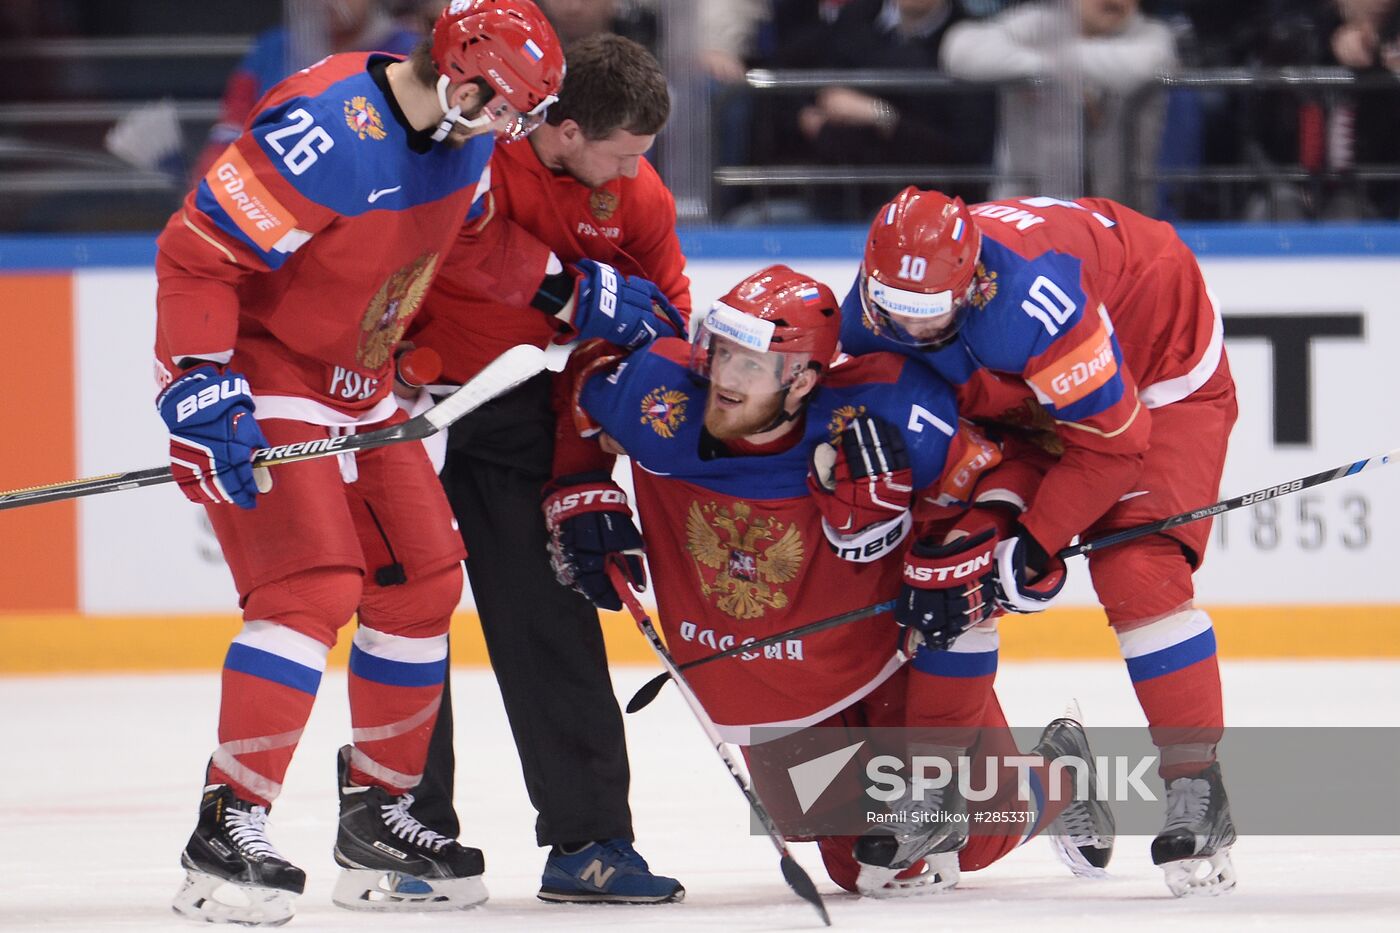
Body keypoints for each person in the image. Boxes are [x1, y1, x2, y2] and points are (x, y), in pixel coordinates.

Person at [152, 2, 677, 925]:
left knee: (422, 580)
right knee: (309, 586)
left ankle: (380, 822)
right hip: (272, 364)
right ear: (465, 82)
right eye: (509, 111)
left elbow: (471, 240)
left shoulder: (466, 134)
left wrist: (568, 287)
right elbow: (197, 254)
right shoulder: (324, 132)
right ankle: (227, 825)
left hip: (363, 378)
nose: (517, 134)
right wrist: (196, 379)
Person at [547, 264, 1116, 897]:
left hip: (881, 657)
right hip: (773, 680)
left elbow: (1013, 468)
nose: (723, 381)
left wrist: (973, 541)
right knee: (858, 869)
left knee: (963, 837)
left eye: (751, 367)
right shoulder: (659, 395)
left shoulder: (882, 416)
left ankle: (1062, 777)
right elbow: (583, 382)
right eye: (721, 353)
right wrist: (580, 487)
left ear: (803, 381)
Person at [841, 187, 1238, 897]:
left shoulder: (1032, 301)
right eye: (889, 303)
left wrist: (1034, 541)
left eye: (925, 312)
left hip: (1153, 370)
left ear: (974, 283)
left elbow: (1114, 447)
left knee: (1135, 568)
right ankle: (932, 790)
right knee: (948, 560)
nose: (904, 323)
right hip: (1027, 391)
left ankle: (1196, 787)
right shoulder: (878, 310)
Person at [403, 33, 686, 903]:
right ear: (561, 129)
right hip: (398, 406)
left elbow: (661, 333)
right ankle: (403, 833)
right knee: (404, 622)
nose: (635, 169)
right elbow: (427, 241)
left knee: (548, 621)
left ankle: (589, 842)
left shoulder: (637, 196)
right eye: (623, 151)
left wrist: (585, 472)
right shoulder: (473, 141)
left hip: (522, 411)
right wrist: (560, 283)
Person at [940, 0, 1178, 212]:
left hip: (1119, 209)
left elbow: (1149, 64)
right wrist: (1045, 71)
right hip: (1023, 208)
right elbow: (958, 51)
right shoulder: (1037, 23)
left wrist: (1052, 67)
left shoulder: (1151, 33)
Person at [191, 0, 426, 182]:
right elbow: (231, 127)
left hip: (372, 206)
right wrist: (208, 182)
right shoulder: (273, 47)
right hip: (272, 200)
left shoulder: (410, 54)